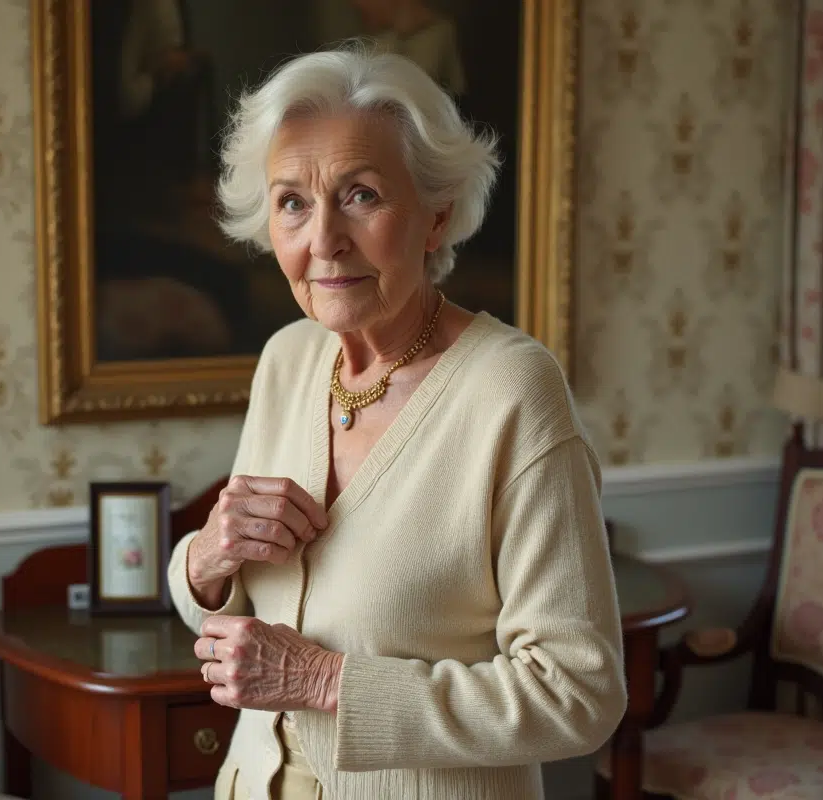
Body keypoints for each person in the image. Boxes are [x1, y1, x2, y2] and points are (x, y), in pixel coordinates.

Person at [165, 43, 626, 800]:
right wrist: (208, 559)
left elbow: (578, 695)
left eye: (361, 196)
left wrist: (326, 683)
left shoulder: (511, 387)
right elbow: (231, 599)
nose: (323, 242)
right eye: (293, 202)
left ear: (436, 217)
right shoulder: (287, 360)